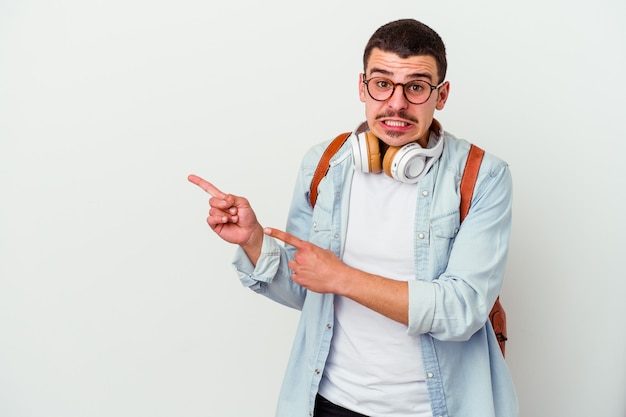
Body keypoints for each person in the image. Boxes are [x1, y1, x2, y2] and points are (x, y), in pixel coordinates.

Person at [189, 18, 518, 417]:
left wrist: (343, 278)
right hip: (330, 402)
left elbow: (462, 310)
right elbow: (308, 288)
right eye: (382, 84)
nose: (396, 103)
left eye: (416, 87)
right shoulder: (325, 163)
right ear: (362, 86)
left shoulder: (482, 175)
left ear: (441, 94)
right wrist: (254, 241)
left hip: (435, 408)